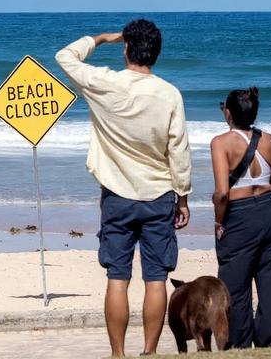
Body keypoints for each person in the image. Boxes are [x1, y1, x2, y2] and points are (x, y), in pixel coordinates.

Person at [55, 19, 192, 357]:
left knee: (118, 277)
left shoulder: (104, 83)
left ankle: (118, 354)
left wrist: (101, 39)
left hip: (116, 195)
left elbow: (65, 57)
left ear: (127, 48)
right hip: (158, 195)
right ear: (156, 53)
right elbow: (179, 150)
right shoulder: (169, 93)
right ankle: (149, 351)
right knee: (156, 278)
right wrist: (184, 196)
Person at [210, 88, 271, 349]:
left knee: (235, 286)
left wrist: (219, 222)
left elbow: (222, 193)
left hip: (240, 216)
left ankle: (239, 344)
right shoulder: (269, 140)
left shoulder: (220, 142)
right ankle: (270, 343)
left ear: (228, 113)